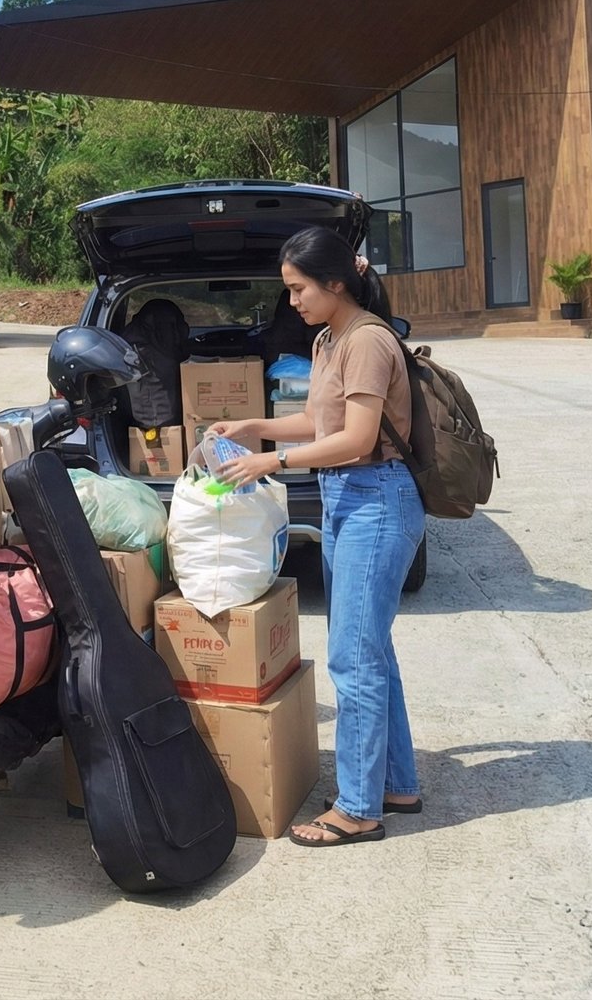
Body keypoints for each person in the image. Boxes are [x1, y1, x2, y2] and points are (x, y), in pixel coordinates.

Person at [207, 226, 425, 849]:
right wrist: (253, 426)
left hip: (377, 500)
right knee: (369, 649)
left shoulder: (369, 340)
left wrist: (271, 462)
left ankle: (358, 809)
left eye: (299, 288)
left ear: (336, 282)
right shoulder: (330, 338)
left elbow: (357, 439)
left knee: (353, 658)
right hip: (346, 498)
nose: (293, 301)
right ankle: (396, 784)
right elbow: (317, 420)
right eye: (289, 290)